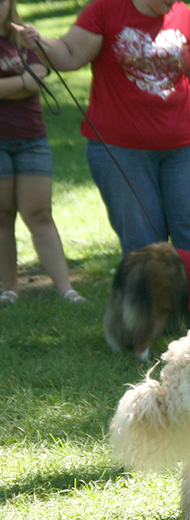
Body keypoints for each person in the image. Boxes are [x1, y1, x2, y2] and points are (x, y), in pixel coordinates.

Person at [13, 0, 190, 255]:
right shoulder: (106, 9)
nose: (173, 2)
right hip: (121, 150)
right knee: (144, 242)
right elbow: (69, 54)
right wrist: (38, 40)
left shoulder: (182, 13)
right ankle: (152, 295)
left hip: (186, 145)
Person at [0, 0, 84, 305]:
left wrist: (19, 82)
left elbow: (41, 73)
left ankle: (66, 289)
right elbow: (33, 79)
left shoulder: (24, 37)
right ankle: (9, 288)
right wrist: (25, 81)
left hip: (32, 137)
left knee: (39, 214)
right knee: (3, 214)